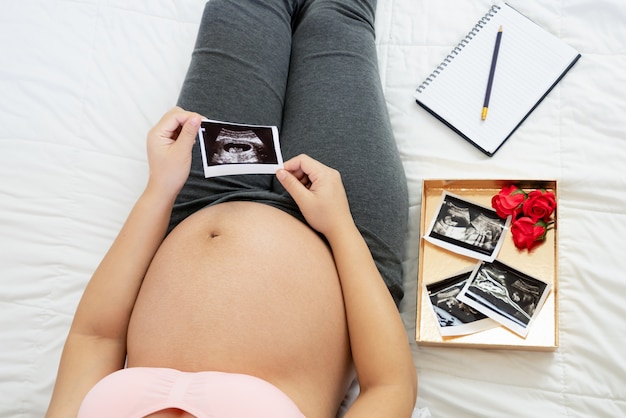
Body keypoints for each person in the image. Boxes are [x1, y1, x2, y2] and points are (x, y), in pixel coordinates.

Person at [45, 0, 417, 417]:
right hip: (341, 234)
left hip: (192, 197)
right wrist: (341, 227)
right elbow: (389, 387)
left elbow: (95, 338)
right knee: (339, 18)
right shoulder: (342, 228)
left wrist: (159, 191)